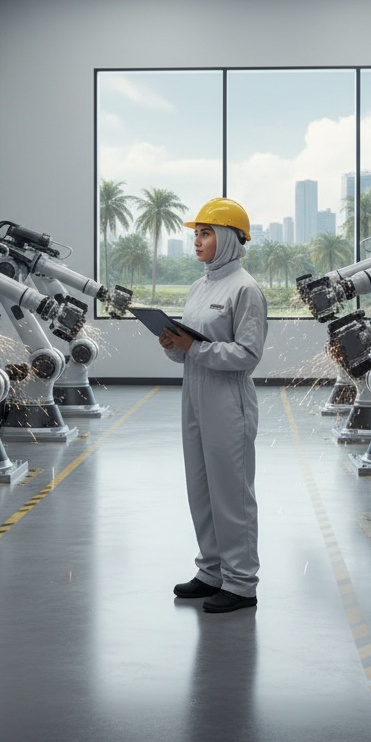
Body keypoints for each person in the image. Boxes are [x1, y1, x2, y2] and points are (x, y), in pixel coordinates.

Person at [159, 197, 268, 614]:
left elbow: (247, 355)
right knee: (201, 487)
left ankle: (241, 583)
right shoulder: (199, 287)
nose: (197, 241)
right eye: (197, 234)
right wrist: (173, 344)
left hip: (228, 399)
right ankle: (211, 571)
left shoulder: (245, 289)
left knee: (231, 493)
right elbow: (187, 349)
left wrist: (195, 348)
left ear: (227, 238)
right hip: (194, 394)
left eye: (206, 234)